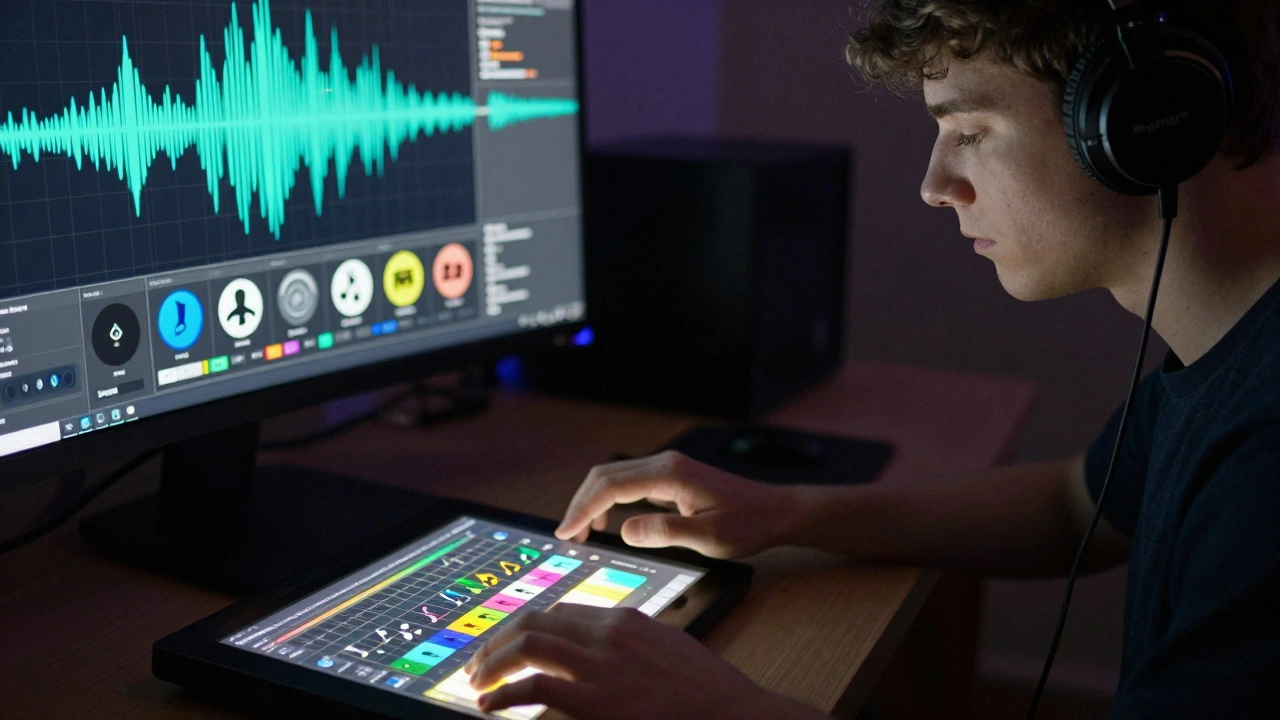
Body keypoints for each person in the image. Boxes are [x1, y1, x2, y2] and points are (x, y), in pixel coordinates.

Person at [463, 1, 1280, 717]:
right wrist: (789, 514)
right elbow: (1081, 505)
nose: (933, 184)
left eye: (970, 130)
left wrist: (715, 706)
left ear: (1143, 118)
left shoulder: (1265, 459)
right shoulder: (1228, 349)